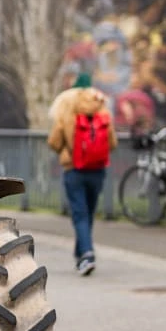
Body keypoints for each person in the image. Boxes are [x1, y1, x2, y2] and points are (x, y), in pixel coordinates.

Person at [47, 73, 117, 275]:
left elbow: (54, 142)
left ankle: (86, 254)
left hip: (73, 170)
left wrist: (67, 149)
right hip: (97, 170)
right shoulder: (101, 108)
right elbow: (112, 142)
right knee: (88, 213)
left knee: (79, 214)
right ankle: (81, 255)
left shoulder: (68, 108)